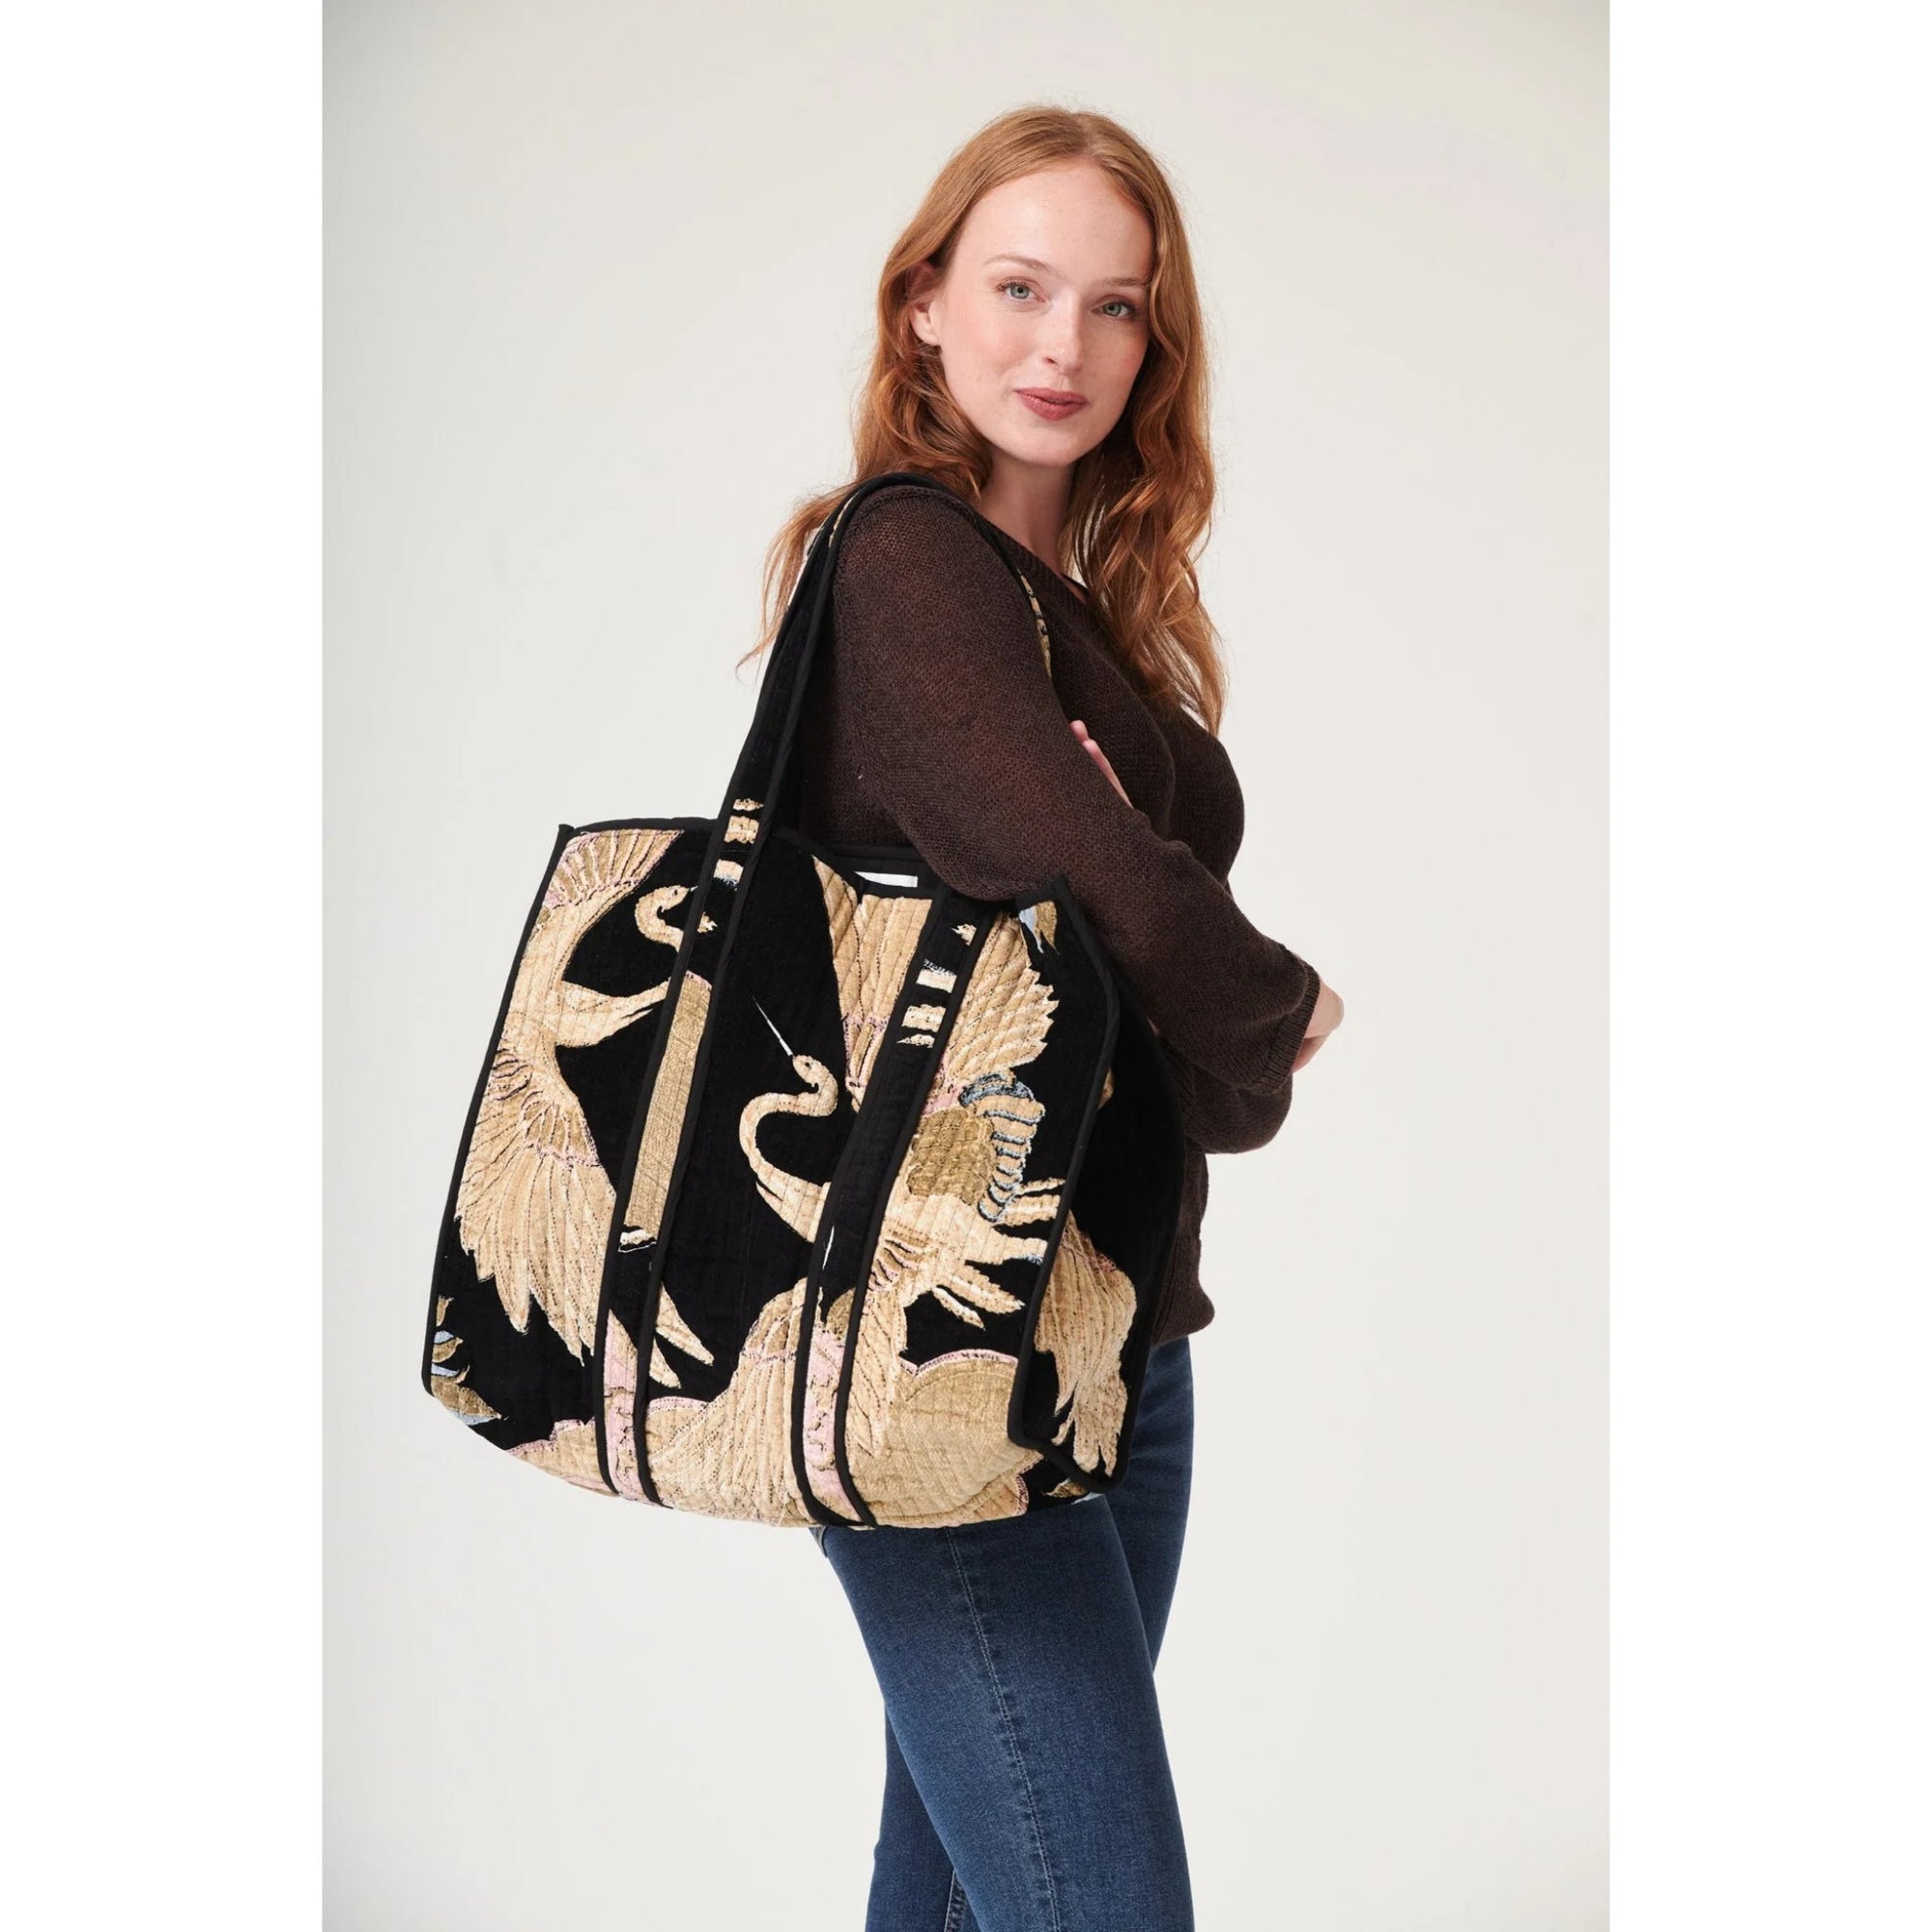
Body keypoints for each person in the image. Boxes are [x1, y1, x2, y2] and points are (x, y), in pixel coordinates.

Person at [741, 104, 1344, 1932]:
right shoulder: (909, 565)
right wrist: (1275, 992)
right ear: (922, 303)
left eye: (1113, 304)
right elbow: (1124, 909)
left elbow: (1189, 1063)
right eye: (1016, 288)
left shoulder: (1086, 621)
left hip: (1122, 1342)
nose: (1061, 344)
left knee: (953, 1897)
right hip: (938, 1349)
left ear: (1156, 342)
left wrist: (1164, 931)